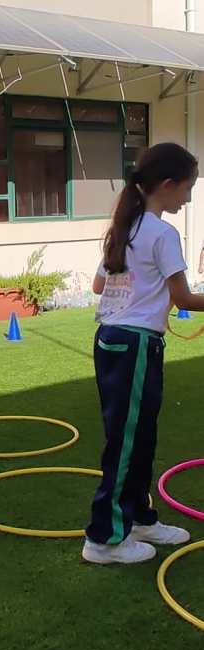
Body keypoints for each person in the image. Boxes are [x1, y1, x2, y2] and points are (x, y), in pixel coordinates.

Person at [84, 142, 204, 565]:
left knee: (138, 437)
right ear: (167, 185)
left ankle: (137, 518)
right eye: (187, 189)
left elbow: (100, 286)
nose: (187, 198)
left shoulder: (125, 226)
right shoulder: (161, 233)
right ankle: (103, 540)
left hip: (114, 340)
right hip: (133, 346)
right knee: (126, 443)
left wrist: (144, 292)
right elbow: (184, 298)